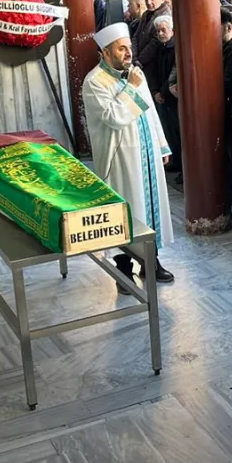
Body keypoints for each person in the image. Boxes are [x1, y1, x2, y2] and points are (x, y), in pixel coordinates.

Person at [82, 23, 176, 290]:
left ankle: (151, 262)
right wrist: (132, 88)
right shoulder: (94, 82)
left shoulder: (134, 74)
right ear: (105, 52)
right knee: (128, 211)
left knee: (150, 209)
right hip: (121, 160)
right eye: (121, 49)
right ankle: (124, 269)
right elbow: (114, 118)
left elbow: (149, 113)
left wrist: (161, 145)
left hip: (145, 153)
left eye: (129, 48)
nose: (128, 53)